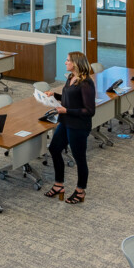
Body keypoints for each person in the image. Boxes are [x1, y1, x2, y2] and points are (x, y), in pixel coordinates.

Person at [46, 52, 96, 204]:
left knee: (79, 158)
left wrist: (66, 111)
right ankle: (59, 185)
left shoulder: (86, 82)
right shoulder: (70, 78)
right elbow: (69, 99)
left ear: (75, 63)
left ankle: (80, 191)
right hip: (66, 122)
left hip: (79, 126)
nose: (65, 62)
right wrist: (54, 95)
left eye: (68, 60)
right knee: (54, 149)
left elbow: (89, 111)